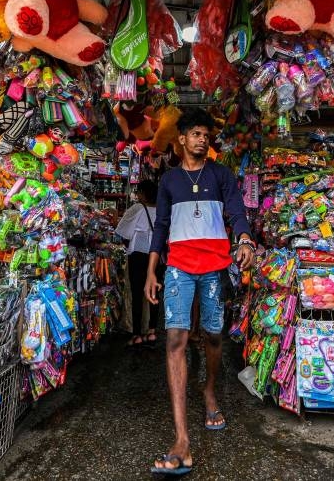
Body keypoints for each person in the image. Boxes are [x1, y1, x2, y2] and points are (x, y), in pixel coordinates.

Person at [144, 109, 255, 476]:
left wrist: (244, 238)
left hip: (215, 267)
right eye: (195, 134)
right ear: (181, 141)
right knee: (175, 338)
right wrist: (151, 272)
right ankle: (181, 439)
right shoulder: (170, 181)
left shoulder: (221, 175)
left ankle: (209, 390)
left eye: (205, 134)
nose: (202, 139)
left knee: (212, 336)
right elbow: (160, 227)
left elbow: (237, 211)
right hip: (178, 268)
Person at [115, 180, 161, 346]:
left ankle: (137, 334)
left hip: (139, 256)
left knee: (137, 293)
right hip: (157, 256)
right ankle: (152, 331)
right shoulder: (162, 210)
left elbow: (122, 232)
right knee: (154, 293)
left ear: (142, 193)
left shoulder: (137, 209)